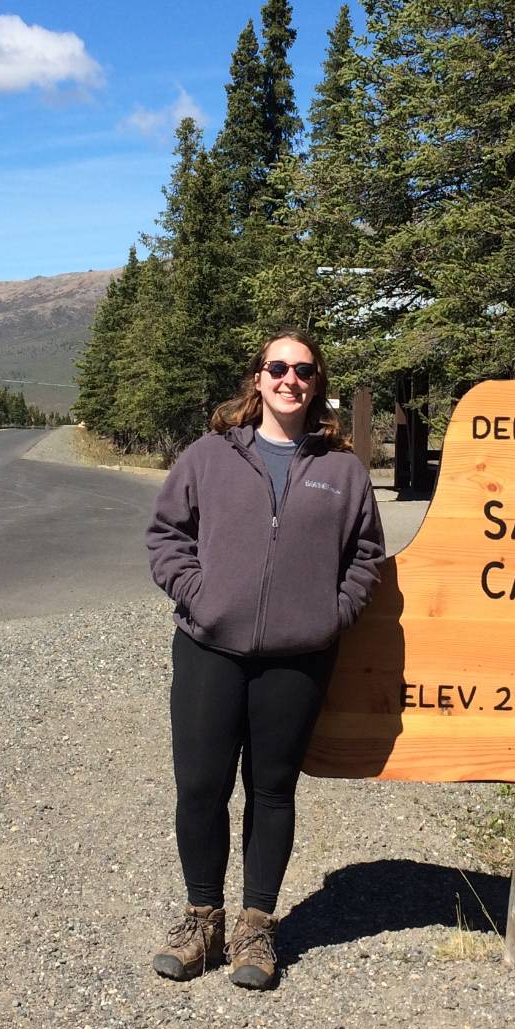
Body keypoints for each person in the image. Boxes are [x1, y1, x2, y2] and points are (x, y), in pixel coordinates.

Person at [145, 330, 386, 989]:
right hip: (209, 649)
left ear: (317, 383)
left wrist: (330, 616)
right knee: (201, 788)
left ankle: (255, 929)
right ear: (258, 378)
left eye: (304, 370)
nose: (290, 379)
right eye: (277, 367)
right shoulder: (210, 455)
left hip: (297, 660)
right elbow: (166, 536)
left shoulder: (343, 471)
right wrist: (200, 596)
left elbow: (366, 556)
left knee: (273, 792)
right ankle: (201, 921)